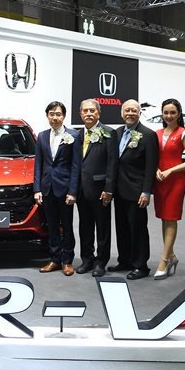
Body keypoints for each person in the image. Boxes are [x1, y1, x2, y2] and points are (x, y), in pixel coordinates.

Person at [109, 99, 159, 280]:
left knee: (138, 229)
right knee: (121, 227)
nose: (130, 113)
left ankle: (141, 265)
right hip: (119, 190)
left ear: (139, 114)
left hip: (137, 190)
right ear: (122, 113)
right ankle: (125, 260)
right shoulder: (116, 133)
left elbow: (151, 166)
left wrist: (146, 191)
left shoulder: (148, 135)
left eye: (134, 111)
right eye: (127, 110)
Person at [152, 99, 185, 280]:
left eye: (172, 112)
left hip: (175, 180)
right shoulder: (157, 133)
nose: (169, 116)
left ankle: (164, 261)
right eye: (166, 112)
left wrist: (170, 170)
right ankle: (171, 256)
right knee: (163, 219)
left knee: (171, 219)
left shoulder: (184, 133)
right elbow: (153, 157)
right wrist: (156, 169)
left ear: (179, 114)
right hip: (159, 180)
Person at [34, 101, 81, 276]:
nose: (55, 117)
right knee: (52, 225)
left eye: (58, 114)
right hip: (47, 188)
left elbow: (76, 165)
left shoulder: (73, 135)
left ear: (64, 116)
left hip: (65, 187)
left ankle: (67, 260)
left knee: (67, 225)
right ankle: (54, 259)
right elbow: (38, 165)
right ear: (47, 116)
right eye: (52, 114)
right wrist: (37, 189)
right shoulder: (42, 136)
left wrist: (73, 191)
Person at [74, 99, 118, 277]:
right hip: (81, 189)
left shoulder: (108, 133)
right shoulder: (77, 135)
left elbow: (112, 164)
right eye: (85, 111)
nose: (89, 114)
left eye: (92, 110)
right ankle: (87, 260)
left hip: (101, 190)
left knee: (102, 228)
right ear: (80, 114)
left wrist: (109, 189)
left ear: (98, 113)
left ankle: (101, 262)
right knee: (84, 227)